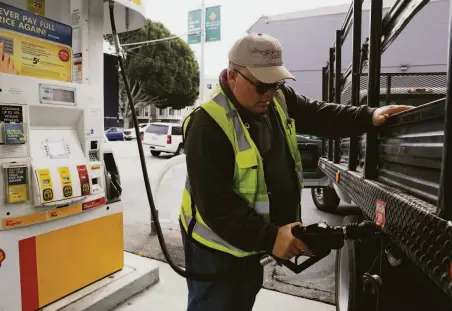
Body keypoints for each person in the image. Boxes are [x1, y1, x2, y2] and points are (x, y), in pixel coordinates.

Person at [179, 33, 412, 311]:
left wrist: (368, 116)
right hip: (215, 248)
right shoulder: (207, 125)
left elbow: (319, 114)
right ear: (232, 76)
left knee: (242, 298)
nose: (269, 94)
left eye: (275, 84)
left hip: (250, 239)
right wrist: (270, 237)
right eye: (261, 85)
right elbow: (216, 205)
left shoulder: (277, 99)